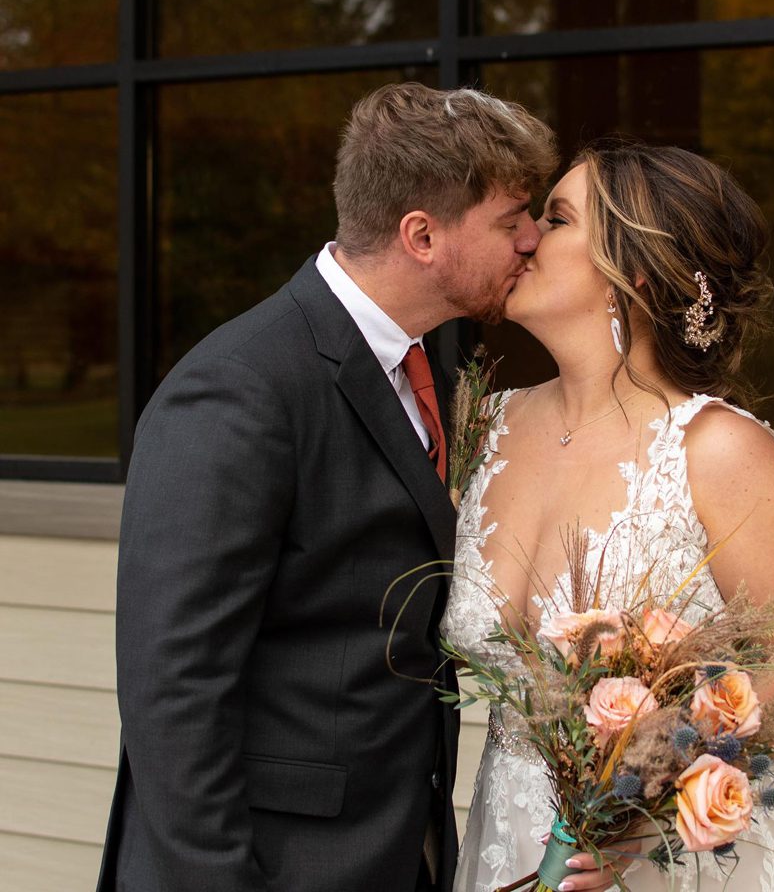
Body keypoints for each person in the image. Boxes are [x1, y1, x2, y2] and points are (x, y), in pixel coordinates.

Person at [96, 82, 568, 892]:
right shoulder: (240, 388)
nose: (533, 239)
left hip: (388, 845)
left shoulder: (422, 367)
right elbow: (173, 689)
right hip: (271, 865)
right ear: (422, 235)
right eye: (511, 219)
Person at [443, 143, 774, 891]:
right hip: (510, 838)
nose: (528, 236)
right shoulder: (485, 426)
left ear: (632, 272)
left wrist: (638, 802)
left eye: (557, 218)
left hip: (676, 863)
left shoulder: (719, 448)